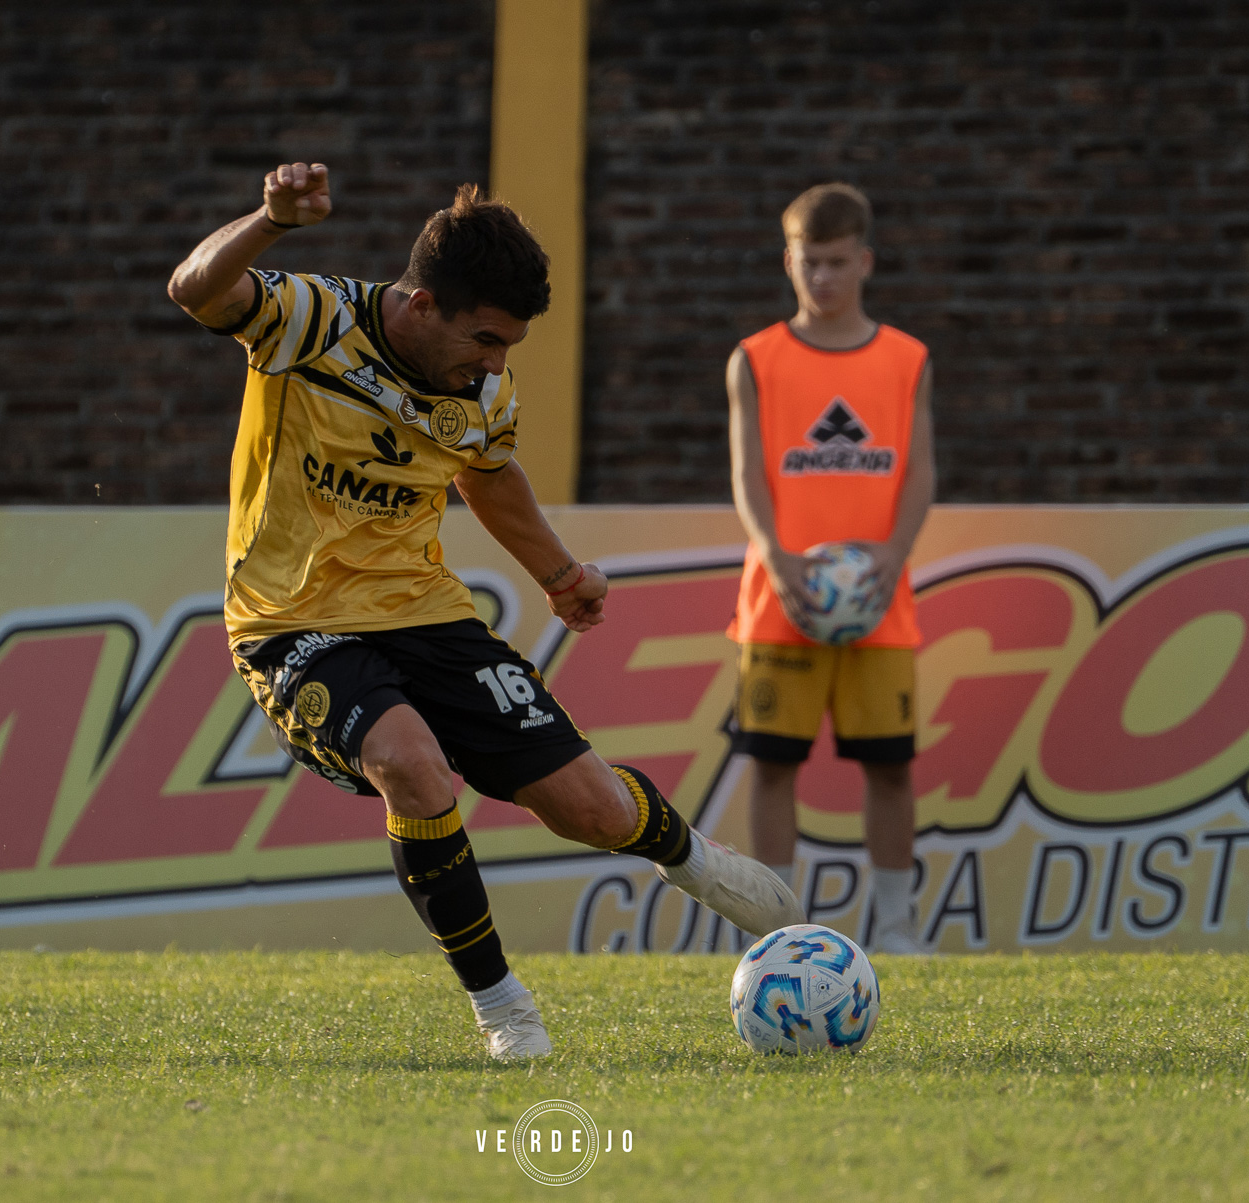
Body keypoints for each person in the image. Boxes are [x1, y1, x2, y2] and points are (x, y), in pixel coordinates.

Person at [167, 162, 803, 1060]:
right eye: (486, 338)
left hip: (424, 614)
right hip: (291, 622)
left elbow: (487, 471)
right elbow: (195, 289)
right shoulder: (311, 320)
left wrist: (559, 571)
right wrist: (269, 222)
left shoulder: (483, 393)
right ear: (421, 304)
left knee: (588, 808)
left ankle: (691, 858)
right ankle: (505, 1010)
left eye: (508, 345)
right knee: (411, 763)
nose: (497, 362)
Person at [725, 182, 936, 956]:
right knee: (774, 766)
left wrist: (893, 551)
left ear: (865, 261)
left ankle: (898, 928)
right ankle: (774, 930)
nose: (822, 278)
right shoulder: (755, 358)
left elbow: (919, 472)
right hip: (781, 599)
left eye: (837, 262)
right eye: (808, 262)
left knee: (888, 769)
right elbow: (748, 474)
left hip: (878, 598)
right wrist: (776, 557)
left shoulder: (906, 358)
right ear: (789, 260)